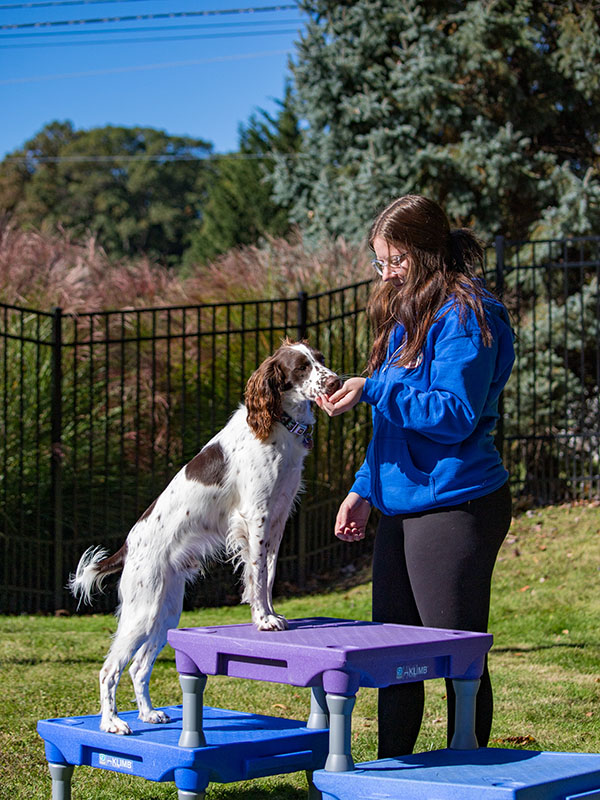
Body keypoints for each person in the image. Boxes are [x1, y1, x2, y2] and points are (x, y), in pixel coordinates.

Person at [317, 194, 514, 758]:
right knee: (393, 659)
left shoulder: (468, 314)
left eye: (396, 260)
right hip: (401, 504)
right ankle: (390, 775)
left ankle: (468, 774)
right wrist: (363, 487)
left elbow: (453, 414)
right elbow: (391, 425)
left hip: (457, 503)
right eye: (381, 262)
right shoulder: (409, 312)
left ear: (427, 253)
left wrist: (374, 386)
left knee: (456, 656)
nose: (387, 273)